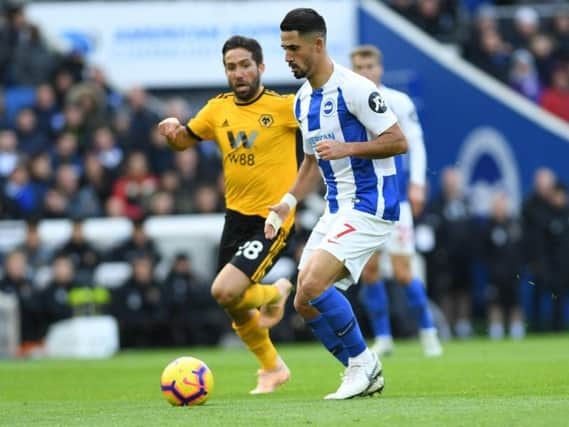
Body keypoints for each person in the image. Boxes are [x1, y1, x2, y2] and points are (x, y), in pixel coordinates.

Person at [267, 8, 408, 400]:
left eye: (293, 48)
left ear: (318, 44)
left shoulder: (356, 88)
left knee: (314, 283)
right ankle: (359, 371)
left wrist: (350, 147)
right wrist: (288, 201)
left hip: (371, 203)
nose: (287, 56)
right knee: (303, 300)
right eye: (283, 48)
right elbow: (312, 161)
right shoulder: (301, 101)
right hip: (337, 208)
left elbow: (398, 140)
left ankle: (364, 364)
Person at [158, 36, 297, 394]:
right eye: (231, 67)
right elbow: (185, 140)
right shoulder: (216, 109)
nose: (238, 73)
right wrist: (172, 133)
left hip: (272, 219)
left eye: (245, 65)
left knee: (223, 290)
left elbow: (322, 130)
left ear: (261, 68)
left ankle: (274, 295)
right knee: (233, 303)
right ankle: (272, 368)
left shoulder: (285, 108)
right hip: (235, 218)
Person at [350, 45, 443, 357]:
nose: (365, 72)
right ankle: (384, 338)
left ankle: (428, 332)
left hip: (395, 199)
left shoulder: (397, 101)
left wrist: (417, 183)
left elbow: (415, 142)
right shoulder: (345, 102)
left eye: (369, 66)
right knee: (371, 272)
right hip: (362, 200)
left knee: (404, 272)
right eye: (359, 67)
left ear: (380, 68)